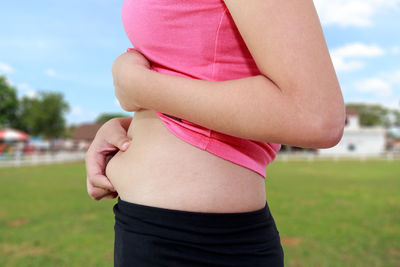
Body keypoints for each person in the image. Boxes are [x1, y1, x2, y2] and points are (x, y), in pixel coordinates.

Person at [85, 0, 345, 266]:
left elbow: (316, 116)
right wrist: (132, 128)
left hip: (199, 244)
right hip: (145, 225)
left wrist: (138, 86)